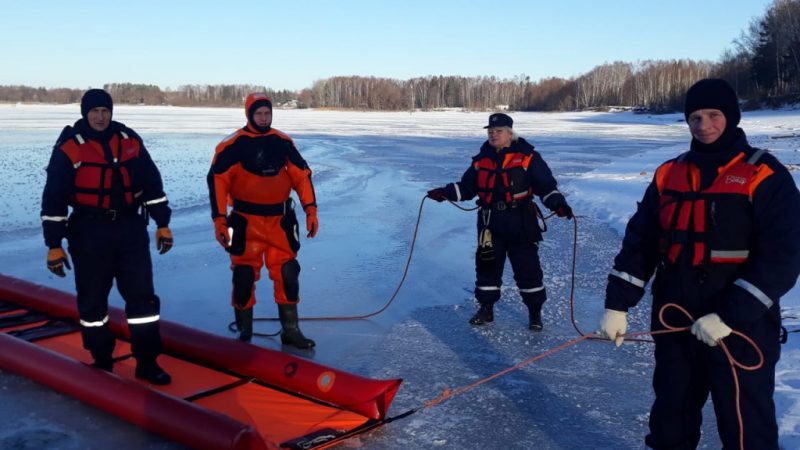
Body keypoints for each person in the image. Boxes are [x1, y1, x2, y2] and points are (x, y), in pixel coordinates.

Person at [598, 78, 800, 449]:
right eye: (694, 117)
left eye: (713, 115)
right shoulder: (667, 174)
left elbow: (783, 257)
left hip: (741, 327)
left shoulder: (765, 174)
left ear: (732, 117)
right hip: (675, 317)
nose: (703, 125)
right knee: (670, 424)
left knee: (746, 430)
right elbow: (640, 243)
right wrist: (617, 303)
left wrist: (730, 316)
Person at [41, 88, 174, 385]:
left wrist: (162, 223)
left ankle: (147, 362)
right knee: (92, 304)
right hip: (89, 232)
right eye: (94, 112)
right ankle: (102, 359)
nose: (100, 117)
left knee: (143, 301)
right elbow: (54, 199)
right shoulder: (70, 147)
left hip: (130, 229)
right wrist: (53, 245)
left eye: (105, 111)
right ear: (85, 113)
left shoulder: (128, 140)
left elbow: (152, 184)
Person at [427, 113, 573, 331]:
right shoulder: (481, 159)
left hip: (521, 221)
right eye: (490, 131)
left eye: (498, 131)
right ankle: (486, 308)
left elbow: (546, 186)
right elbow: (468, 187)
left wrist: (557, 204)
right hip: (489, 222)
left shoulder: (528, 157)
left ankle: (535, 313)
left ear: (510, 133)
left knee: (528, 268)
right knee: (487, 266)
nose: (493, 135)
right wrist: (445, 193)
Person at [208, 93, 318, 348]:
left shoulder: (282, 142)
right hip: (246, 224)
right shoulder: (232, 146)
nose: (263, 117)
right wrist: (219, 221)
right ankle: (245, 332)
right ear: (249, 114)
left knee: (289, 274)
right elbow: (217, 182)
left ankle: (291, 330)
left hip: (280, 222)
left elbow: (302, 177)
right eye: (258, 113)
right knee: (244, 277)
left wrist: (311, 211)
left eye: (267, 113)